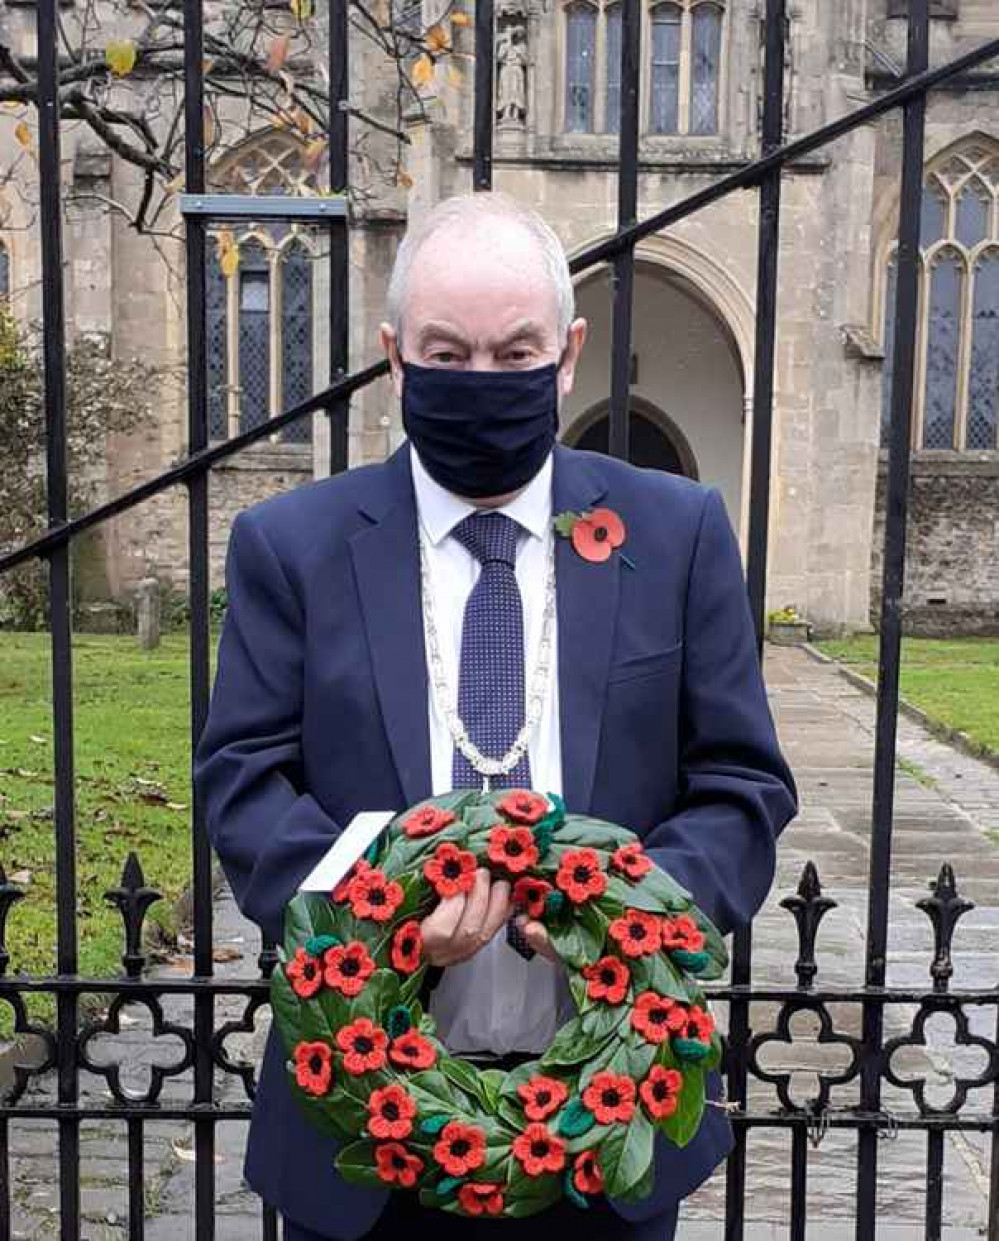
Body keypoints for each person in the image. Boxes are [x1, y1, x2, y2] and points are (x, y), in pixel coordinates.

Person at [193, 190, 799, 1240]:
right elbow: (244, 784)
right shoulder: (290, 545)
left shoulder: (677, 529)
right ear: (394, 357)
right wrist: (378, 918)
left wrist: (624, 916)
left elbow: (744, 784)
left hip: (613, 1126)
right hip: (362, 1127)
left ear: (566, 355)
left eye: (514, 351)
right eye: (448, 351)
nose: (482, 379)